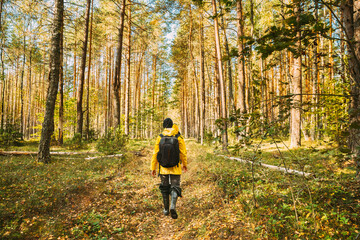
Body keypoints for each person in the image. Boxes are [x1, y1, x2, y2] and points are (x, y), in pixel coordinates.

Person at [151, 118, 187, 219]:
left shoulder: (160, 137)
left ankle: (166, 209)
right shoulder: (178, 137)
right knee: (175, 186)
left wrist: (153, 167)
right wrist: (184, 164)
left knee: (164, 187)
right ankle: (172, 207)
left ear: (164, 126)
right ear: (172, 125)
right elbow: (183, 152)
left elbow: (155, 153)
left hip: (163, 168)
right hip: (175, 167)